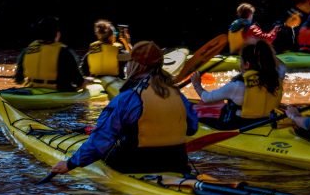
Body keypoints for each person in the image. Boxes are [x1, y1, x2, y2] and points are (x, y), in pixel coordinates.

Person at [49, 41, 199, 176]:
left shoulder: (129, 97)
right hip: (176, 162)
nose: (126, 66)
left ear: (136, 66)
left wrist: (70, 164)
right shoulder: (178, 94)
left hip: (134, 165)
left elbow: (102, 139)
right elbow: (192, 128)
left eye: (128, 63)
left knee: (110, 142)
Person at [190, 40, 287, 129]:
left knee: (197, 119)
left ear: (247, 64)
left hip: (239, 126)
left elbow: (206, 98)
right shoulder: (277, 78)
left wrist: (196, 84)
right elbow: (281, 65)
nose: (239, 65)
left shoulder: (237, 86)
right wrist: (263, 49)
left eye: (241, 61)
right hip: (265, 124)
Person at [14, 16, 84, 92]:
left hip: (31, 89)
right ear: (57, 34)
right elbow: (77, 80)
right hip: (57, 90)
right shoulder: (63, 52)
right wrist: (84, 83)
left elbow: (18, 79)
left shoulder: (27, 50)